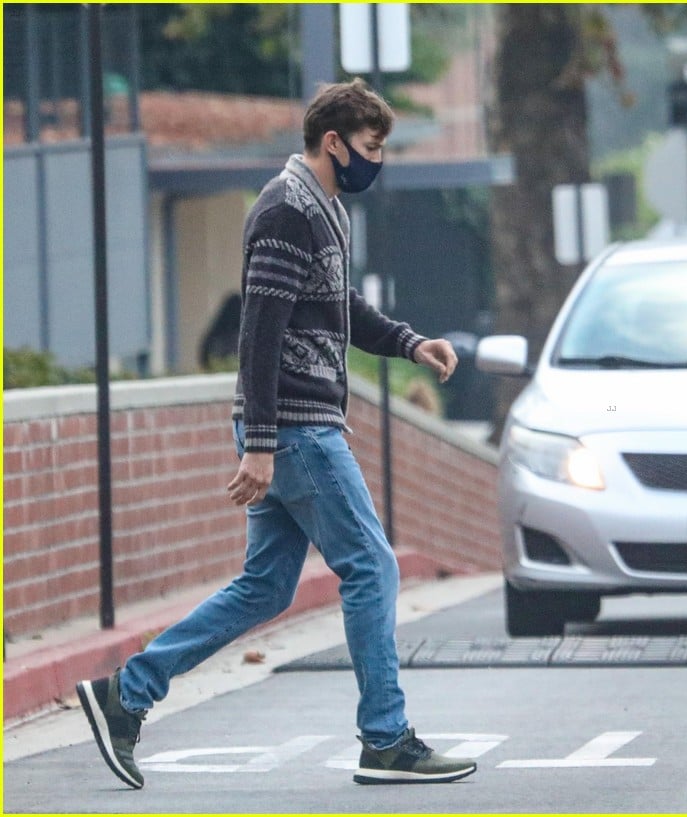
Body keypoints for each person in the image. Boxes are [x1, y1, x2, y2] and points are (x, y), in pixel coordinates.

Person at [76, 79, 474, 789]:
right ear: (334, 142)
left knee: (265, 587)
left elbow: (340, 307)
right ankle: (385, 738)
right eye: (372, 148)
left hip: (295, 426)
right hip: (295, 429)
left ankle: (127, 692)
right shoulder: (285, 211)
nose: (375, 162)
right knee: (372, 566)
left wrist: (413, 343)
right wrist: (259, 442)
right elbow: (257, 336)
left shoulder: (324, 211)